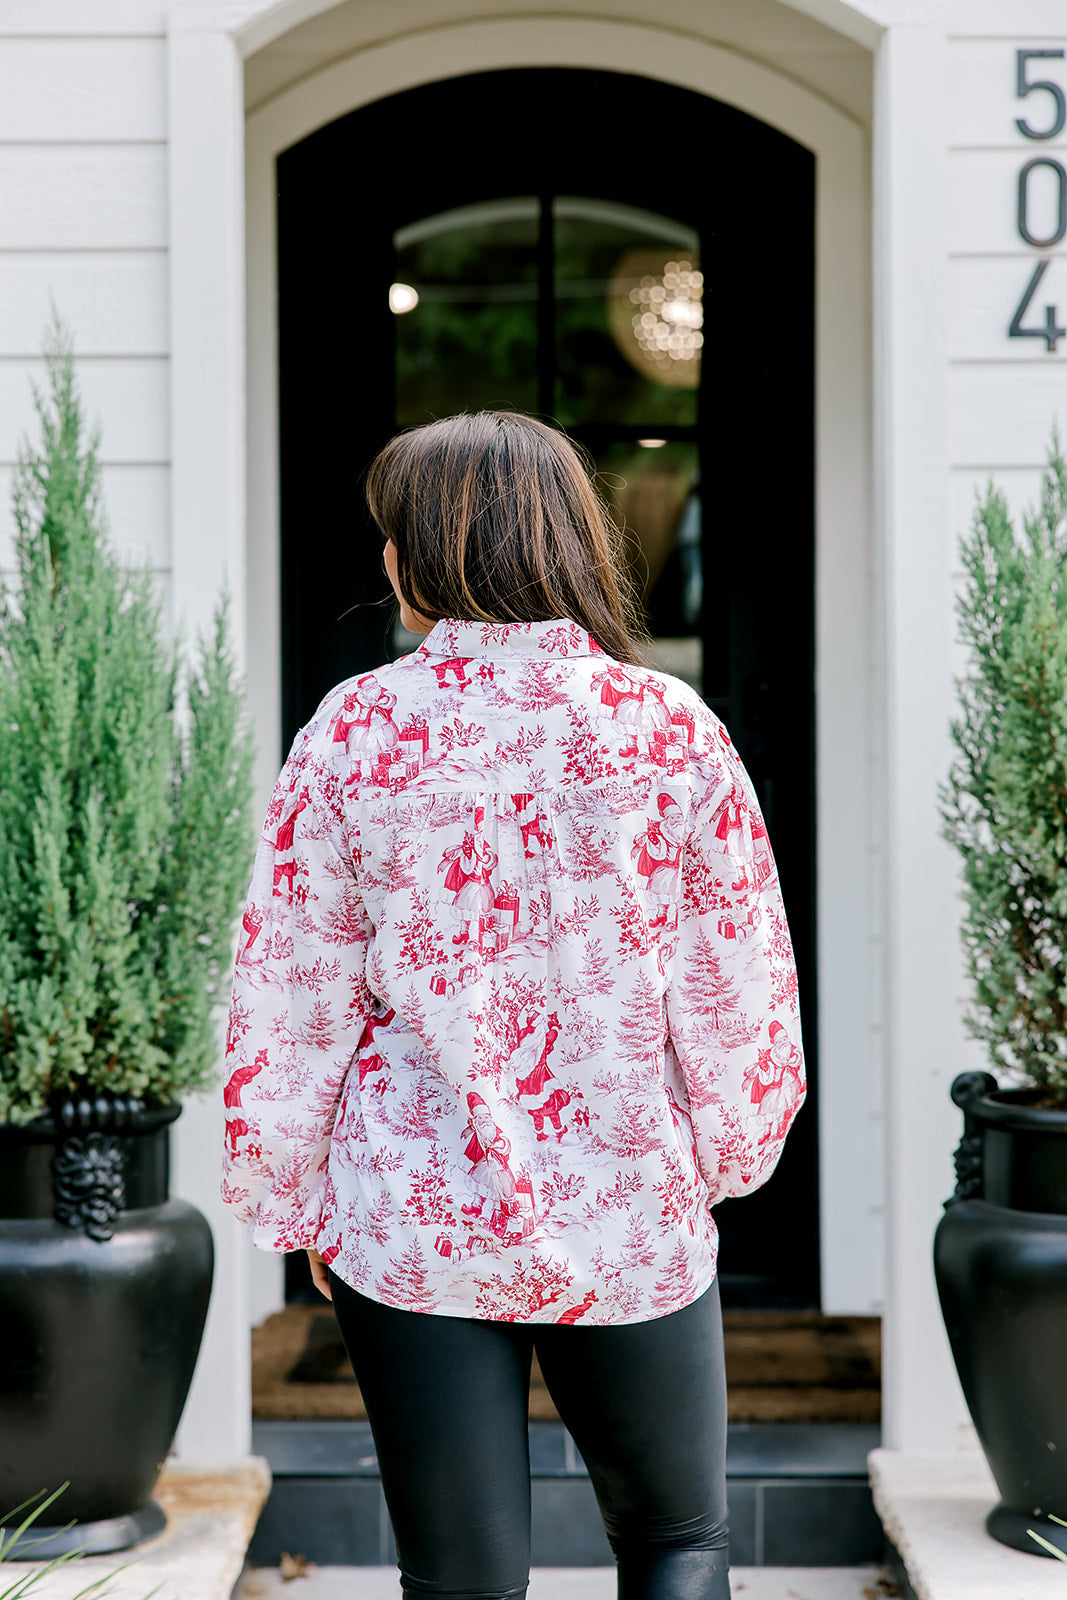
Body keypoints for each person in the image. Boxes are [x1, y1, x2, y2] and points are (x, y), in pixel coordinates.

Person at [221, 411, 806, 1600]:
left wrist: (294, 1199)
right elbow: (738, 985)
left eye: (391, 536)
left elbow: (288, 996)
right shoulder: (671, 731)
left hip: (412, 1217)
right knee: (678, 1541)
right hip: (630, 1202)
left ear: (425, 555)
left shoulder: (354, 732)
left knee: (458, 1583)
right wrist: (722, 1160)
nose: (381, 559)